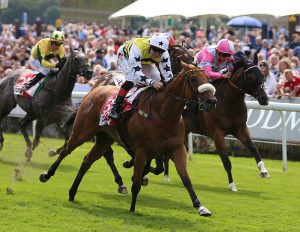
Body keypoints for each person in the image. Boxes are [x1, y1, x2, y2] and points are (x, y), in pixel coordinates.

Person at [109, 33, 174, 120]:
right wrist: (152, 83)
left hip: (144, 60)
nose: (157, 53)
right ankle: (115, 107)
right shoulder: (137, 48)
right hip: (125, 56)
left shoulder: (165, 54)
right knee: (132, 78)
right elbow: (137, 74)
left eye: (160, 51)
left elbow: (168, 75)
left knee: (157, 78)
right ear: (150, 46)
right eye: (155, 49)